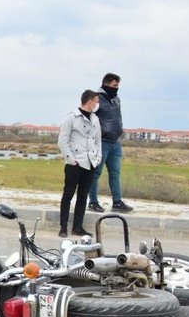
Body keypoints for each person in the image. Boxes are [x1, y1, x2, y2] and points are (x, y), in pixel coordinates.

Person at [57, 90, 102, 238]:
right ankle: (63, 227)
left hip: (90, 163)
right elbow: (62, 141)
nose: (97, 104)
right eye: (96, 101)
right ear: (90, 102)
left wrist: (98, 158)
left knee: (83, 197)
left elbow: (98, 141)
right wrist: (71, 159)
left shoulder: (95, 119)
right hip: (75, 163)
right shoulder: (72, 118)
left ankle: (78, 227)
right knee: (68, 195)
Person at [88, 73, 134, 214]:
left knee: (115, 173)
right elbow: (89, 117)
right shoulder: (96, 99)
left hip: (115, 142)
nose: (117, 88)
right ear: (106, 84)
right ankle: (93, 202)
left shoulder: (116, 99)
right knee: (95, 173)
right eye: (114, 85)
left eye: (118, 85)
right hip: (102, 142)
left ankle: (117, 202)